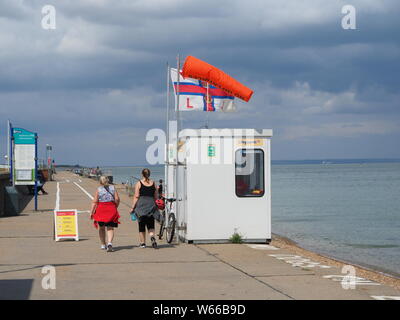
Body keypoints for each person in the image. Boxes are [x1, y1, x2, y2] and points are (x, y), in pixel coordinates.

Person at [90, 176, 120, 252]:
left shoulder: (99, 189)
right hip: (111, 208)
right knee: (110, 228)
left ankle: (103, 244)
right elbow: (117, 199)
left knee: (101, 228)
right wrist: (116, 206)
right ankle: (109, 243)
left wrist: (92, 212)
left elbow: (95, 202)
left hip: (101, 210)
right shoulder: (113, 188)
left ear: (100, 182)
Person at [130, 168, 158, 249]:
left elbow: (136, 196)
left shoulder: (139, 183)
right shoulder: (153, 183)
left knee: (141, 225)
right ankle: (152, 237)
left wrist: (132, 207)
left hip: (141, 206)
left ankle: (142, 243)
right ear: (149, 174)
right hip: (151, 205)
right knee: (150, 225)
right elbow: (156, 197)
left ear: (142, 174)